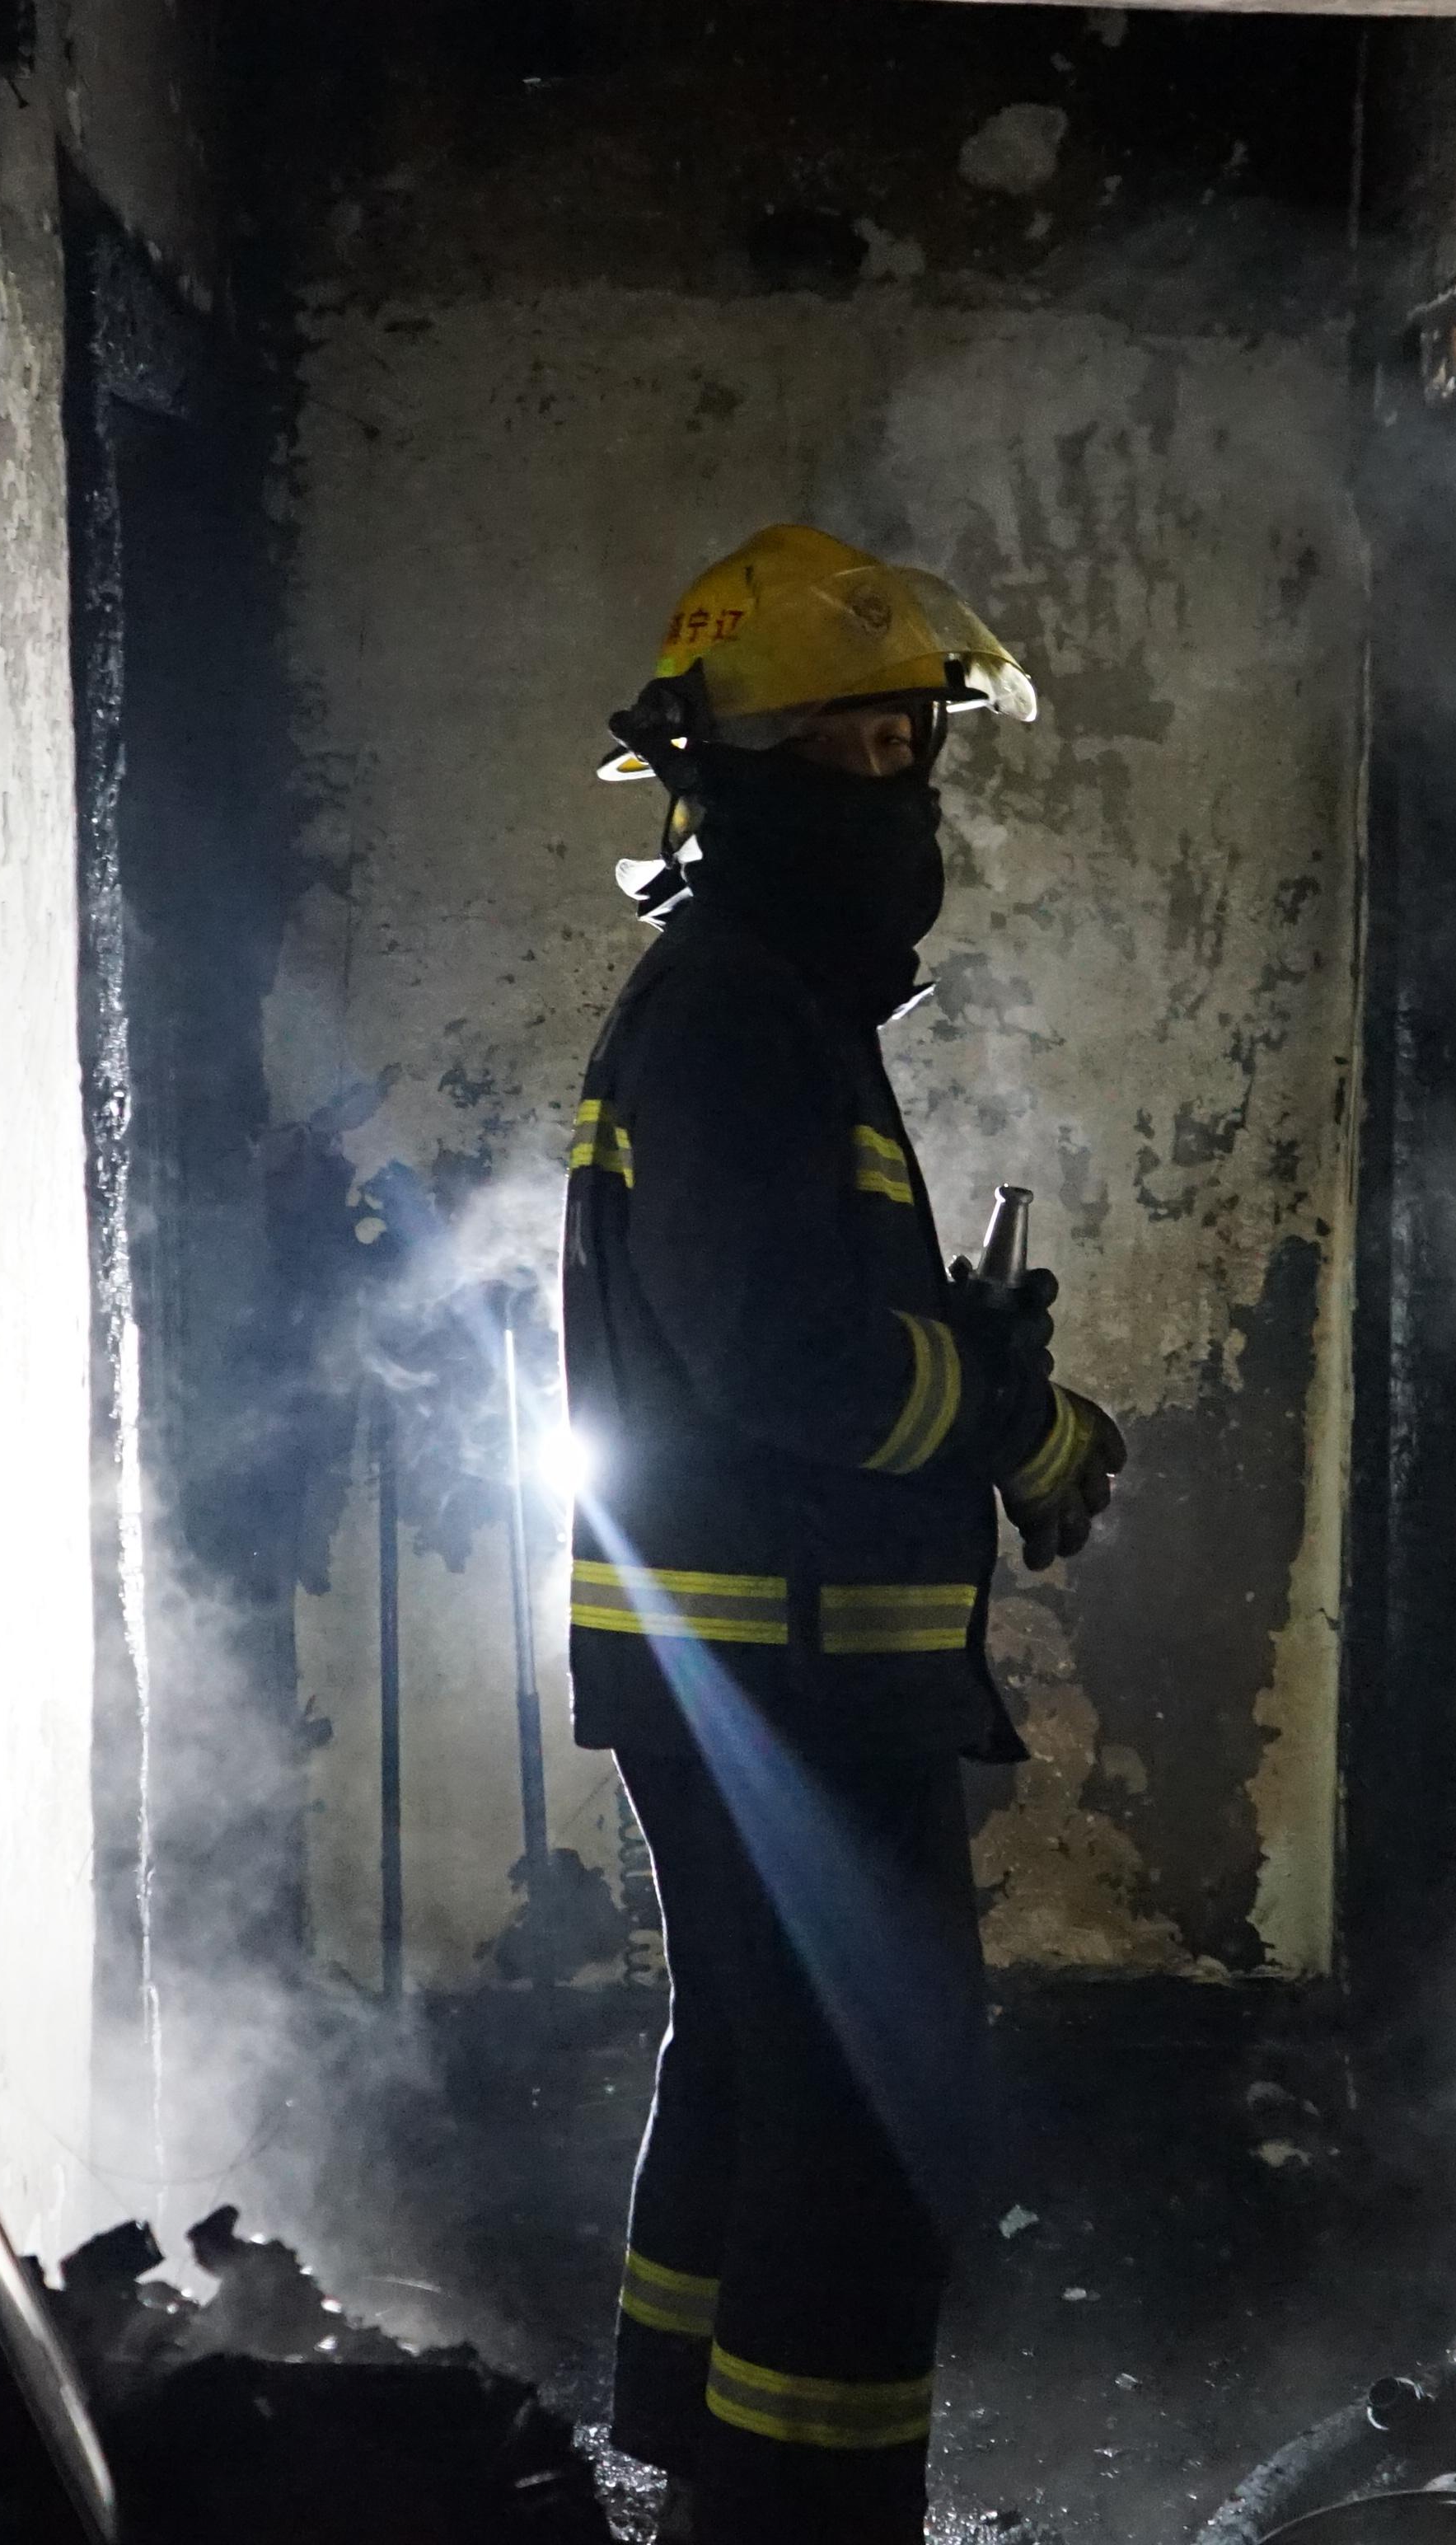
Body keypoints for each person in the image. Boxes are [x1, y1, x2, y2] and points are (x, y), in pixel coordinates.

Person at [559, 525, 1128, 2543]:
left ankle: (679, 2463)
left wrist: (958, 1356)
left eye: (912, 742)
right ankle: (806, 2516)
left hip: (764, 1656)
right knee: (864, 2107)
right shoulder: (734, 1011)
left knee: (753, 2062)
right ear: (741, 770)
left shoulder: (769, 999)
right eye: (863, 744)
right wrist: (1011, 1412)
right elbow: (790, 1365)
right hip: (781, 1666)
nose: (903, 784)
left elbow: (800, 1329)